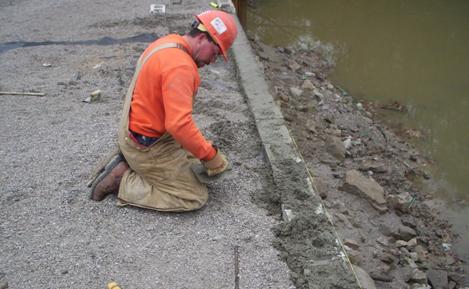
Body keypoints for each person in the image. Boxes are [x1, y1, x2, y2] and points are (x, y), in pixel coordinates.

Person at [89, 10, 238, 212]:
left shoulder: (168, 43)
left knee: (193, 159)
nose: (213, 61)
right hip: (148, 146)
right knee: (193, 196)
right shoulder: (181, 67)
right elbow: (179, 124)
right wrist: (210, 156)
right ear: (202, 38)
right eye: (215, 53)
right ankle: (122, 180)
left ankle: (129, 160)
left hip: (138, 131)